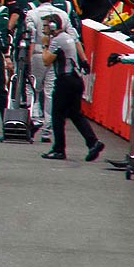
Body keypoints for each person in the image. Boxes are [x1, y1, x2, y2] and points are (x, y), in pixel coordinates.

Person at [40, 13, 103, 162]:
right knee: (75, 114)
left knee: (57, 115)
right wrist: (84, 60)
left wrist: (45, 45)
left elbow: (46, 61)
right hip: (75, 80)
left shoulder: (56, 40)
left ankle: (59, 149)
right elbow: (77, 44)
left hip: (65, 81)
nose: (43, 28)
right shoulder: (68, 36)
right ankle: (93, 142)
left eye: (45, 25)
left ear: (53, 26)